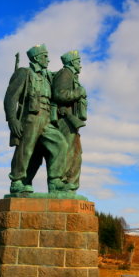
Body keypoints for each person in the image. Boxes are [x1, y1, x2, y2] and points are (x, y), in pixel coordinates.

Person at [4, 44, 68, 193]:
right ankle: (17, 180)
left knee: (60, 144)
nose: (48, 60)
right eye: (45, 57)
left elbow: (61, 79)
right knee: (25, 149)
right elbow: (10, 98)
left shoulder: (47, 77)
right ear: (37, 58)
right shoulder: (24, 73)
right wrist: (12, 119)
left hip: (47, 119)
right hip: (31, 117)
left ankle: (55, 181)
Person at [52, 50, 87, 191]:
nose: (80, 65)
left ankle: (71, 185)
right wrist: (79, 92)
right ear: (72, 62)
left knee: (76, 153)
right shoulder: (65, 73)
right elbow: (60, 95)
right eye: (78, 61)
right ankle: (63, 182)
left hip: (71, 121)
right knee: (67, 151)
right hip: (65, 119)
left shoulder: (72, 75)